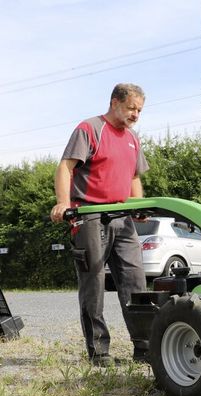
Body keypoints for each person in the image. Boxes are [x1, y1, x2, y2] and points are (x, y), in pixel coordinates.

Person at [51, 83, 149, 366]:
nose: (135, 115)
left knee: (135, 281)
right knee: (93, 281)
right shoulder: (90, 128)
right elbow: (65, 167)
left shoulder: (132, 138)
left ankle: (143, 348)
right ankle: (99, 351)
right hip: (90, 215)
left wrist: (138, 205)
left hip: (123, 217)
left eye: (139, 110)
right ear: (114, 102)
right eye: (131, 108)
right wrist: (63, 202)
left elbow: (133, 177)